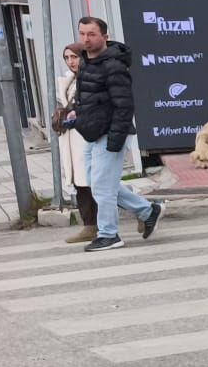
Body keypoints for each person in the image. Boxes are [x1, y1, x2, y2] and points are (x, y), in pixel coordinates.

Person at [70, 17, 162, 252]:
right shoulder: (85, 62)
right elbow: (87, 99)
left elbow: (124, 105)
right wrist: (75, 116)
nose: (86, 39)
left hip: (110, 132)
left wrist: (115, 139)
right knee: (98, 183)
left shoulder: (114, 65)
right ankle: (147, 210)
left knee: (102, 186)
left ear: (104, 36)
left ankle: (109, 234)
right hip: (92, 132)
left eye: (91, 34)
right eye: (82, 34)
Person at [55, 47, 99, 244]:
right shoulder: (68, 80)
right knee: (82, 185)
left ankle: (144, 211)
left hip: (88, 137)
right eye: (66, 58)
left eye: (74, 57)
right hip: (72, 138)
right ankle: (89, 226)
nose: (71, 61)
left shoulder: (91, 77)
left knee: (97, 185)